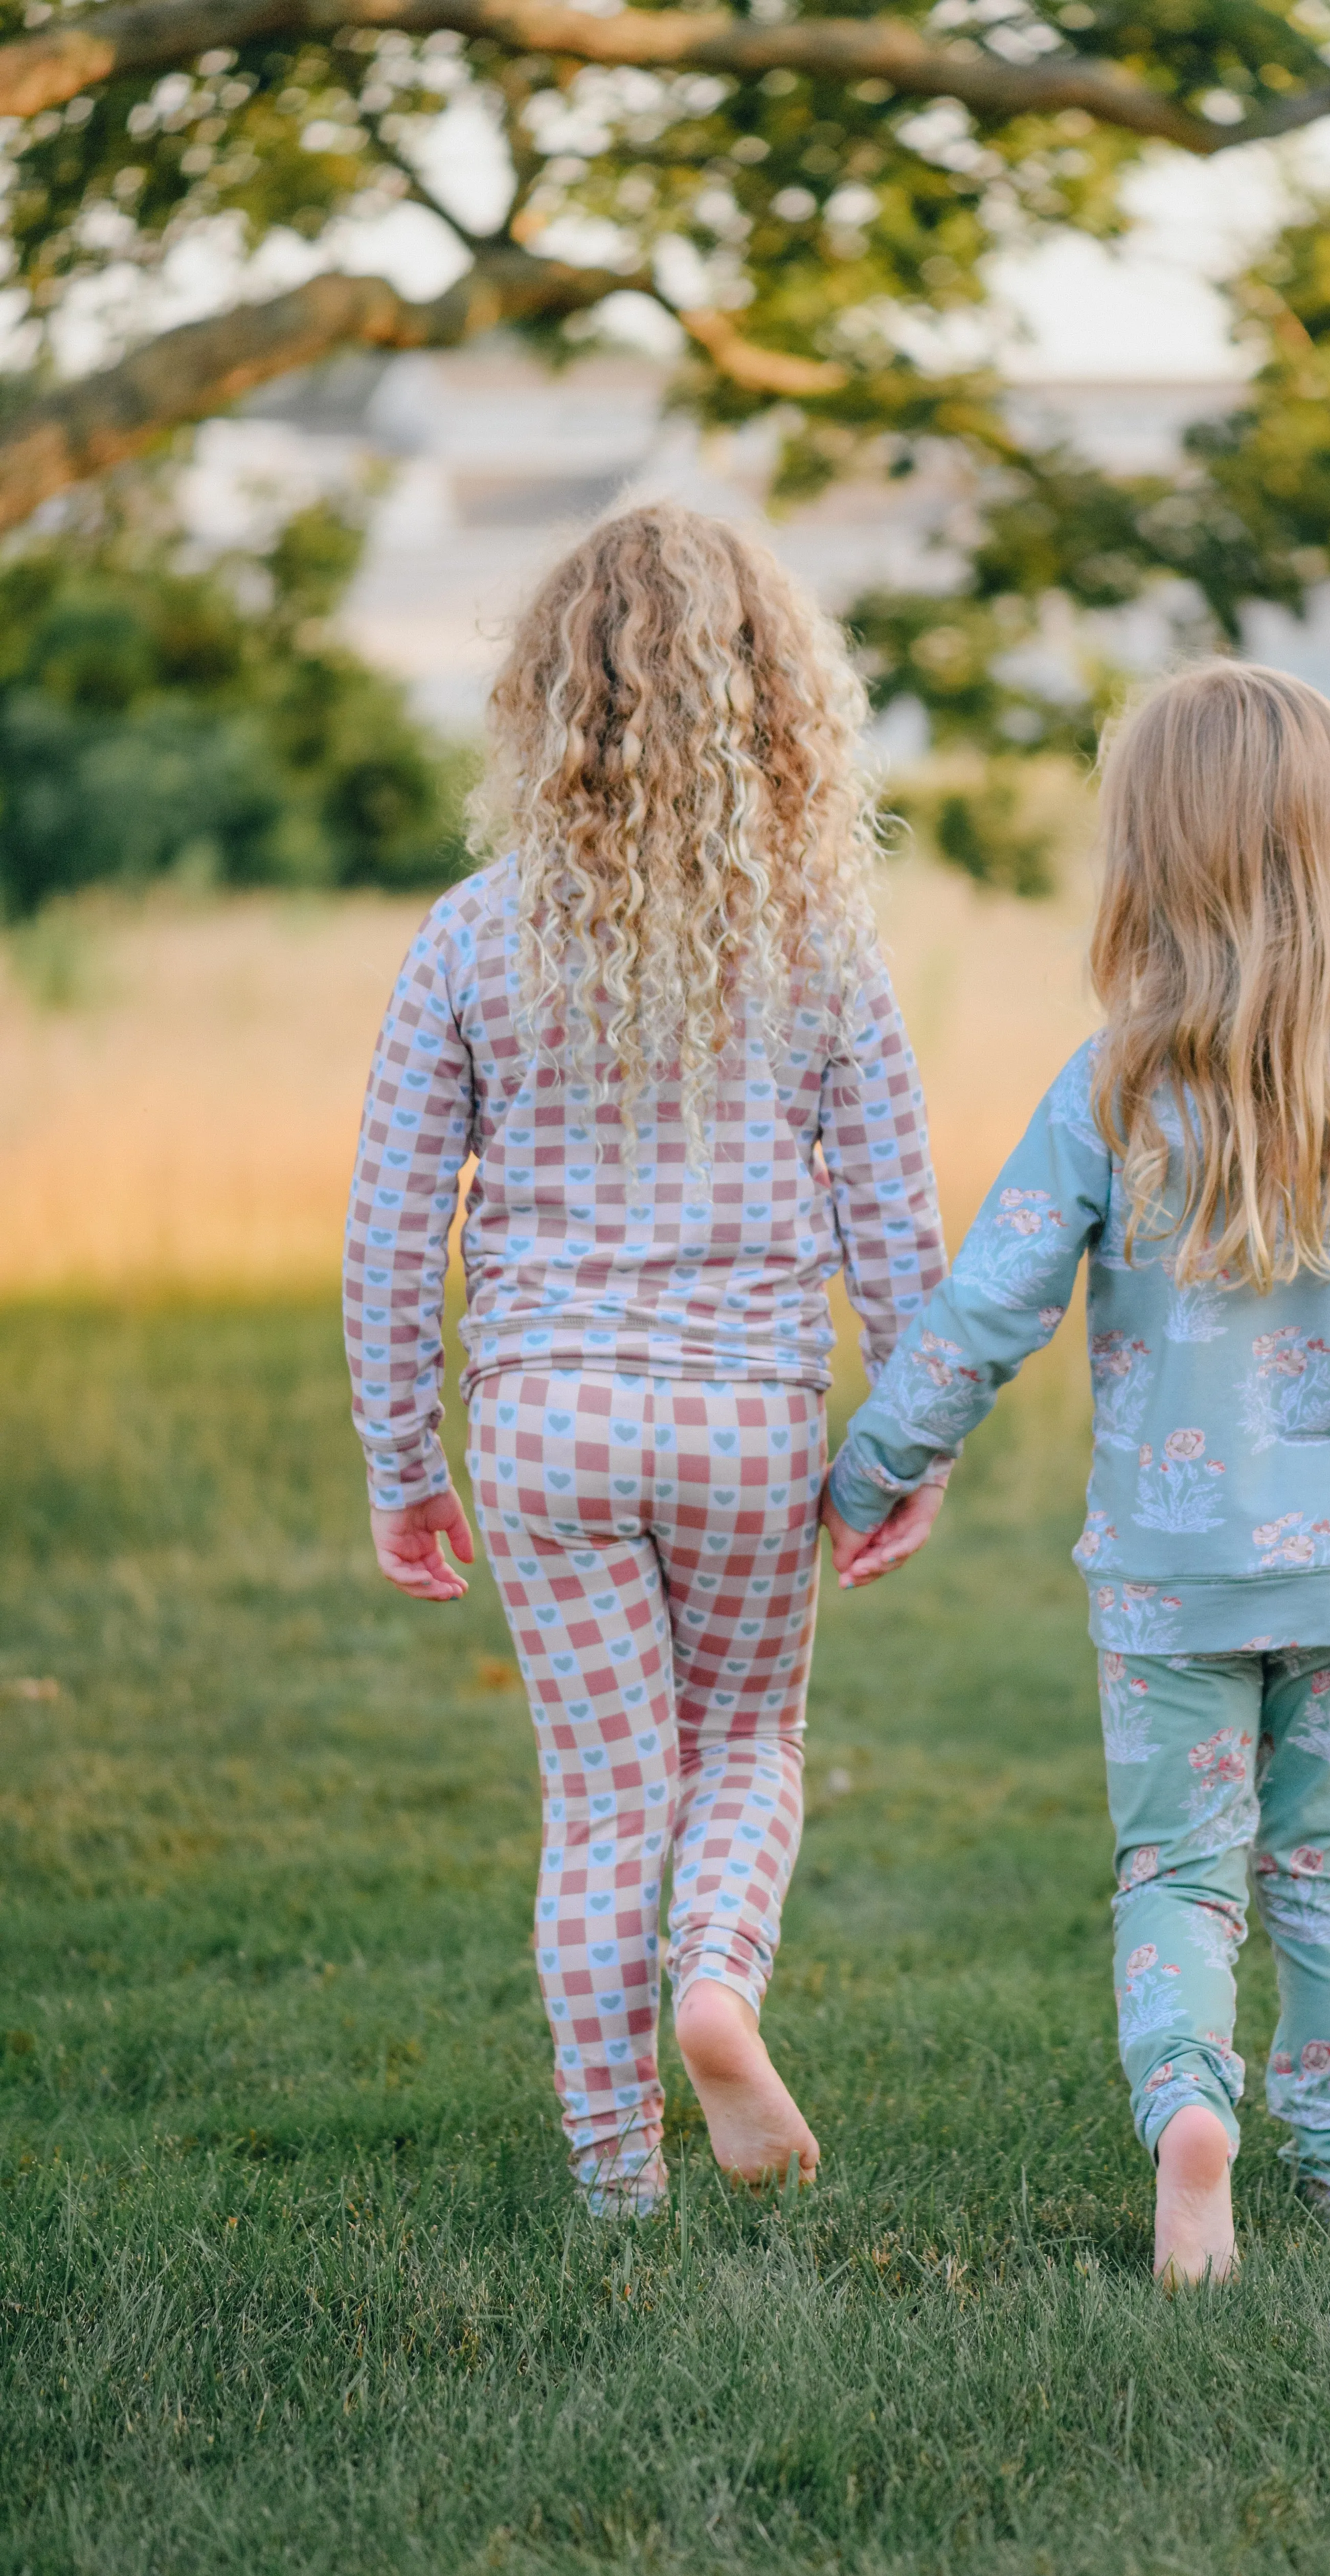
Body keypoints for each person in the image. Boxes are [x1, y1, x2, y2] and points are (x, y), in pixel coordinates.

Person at [822, 661, 1330, 2285]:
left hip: (1166, 1571)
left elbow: (988, 1301)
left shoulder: (1117, 1081)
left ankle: (1185, 2104)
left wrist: (875, 1467)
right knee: (1324, 1862)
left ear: (1152, 856)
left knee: (1177, 1866)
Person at [343, 500, 946, 2219]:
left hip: (546, 1429)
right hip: (747, 1425)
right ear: (777, 702)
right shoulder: (821, 942)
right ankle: (717, 1989)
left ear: (547, 699)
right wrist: (904, 1452)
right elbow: (897, 1228)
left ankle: (620, 2184)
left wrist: (406, 1468)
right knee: (749, 1738)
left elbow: (390, 1231)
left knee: (606, 1796)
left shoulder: (469, 936)